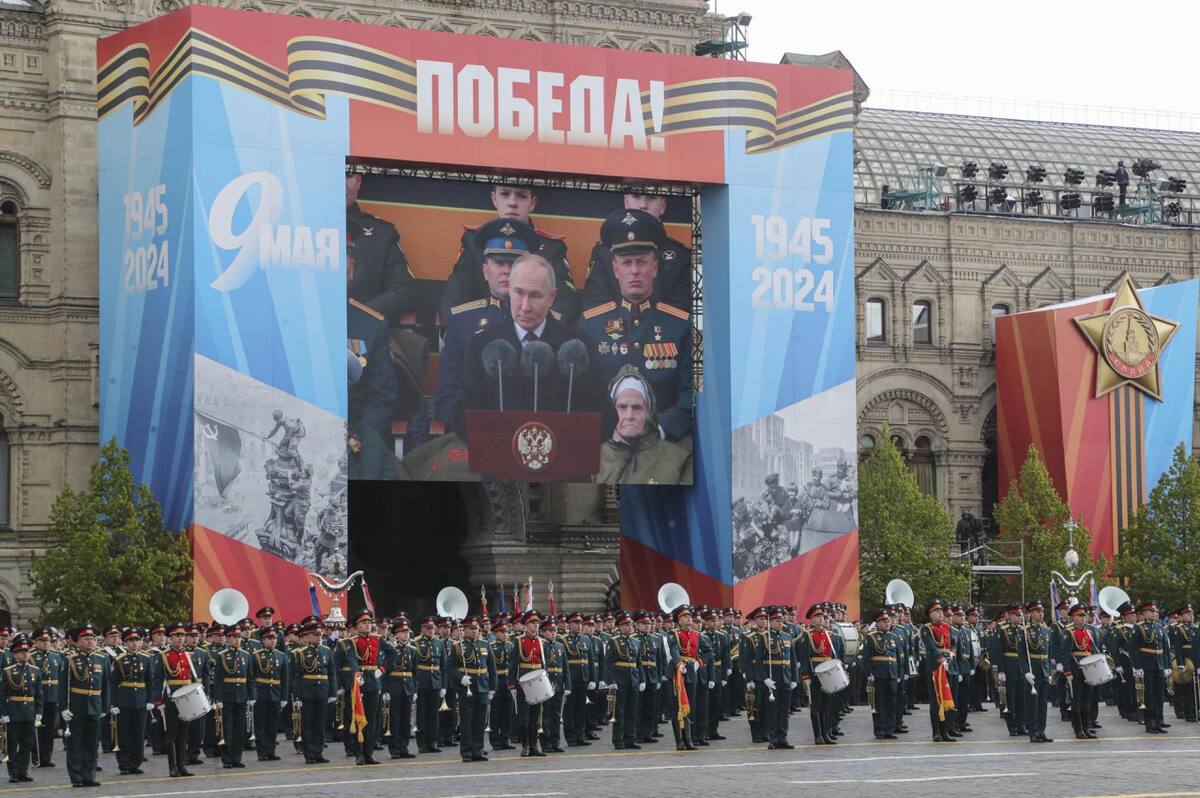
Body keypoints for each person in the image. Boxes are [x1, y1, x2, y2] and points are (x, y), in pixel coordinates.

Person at [579, 209, 693, 443]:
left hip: (663, 444)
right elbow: (580, 393)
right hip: (603, 444)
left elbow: (691, 395)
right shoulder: (590, 326)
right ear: (615, 269)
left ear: (655, 268)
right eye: (627, 263)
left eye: (641, 262)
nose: (634, 271)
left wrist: (659, 429)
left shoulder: (680, 326)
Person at [459, 254, 589, 436]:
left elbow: (597, 416)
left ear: (552, 297)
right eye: (519, 293)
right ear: (510, 290)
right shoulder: (482, 345)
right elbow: (464, 414)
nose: (525, 307)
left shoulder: (576, 348)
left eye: (535, 295)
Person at [434, 217, 537, 435]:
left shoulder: (547, 321)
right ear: (485, 270)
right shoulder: (462, 322)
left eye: (515, 264)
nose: (507, 271)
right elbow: (448, 394)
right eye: (499, 263)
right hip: (474, 436)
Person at [440, 183, 578, 326]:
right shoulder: (474, 242)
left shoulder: (551, 248)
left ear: (532, 203)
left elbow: (564, 304)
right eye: (505, 194)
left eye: (521, 196)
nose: (512, 203)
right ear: (494, 199)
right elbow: (454, 297)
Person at [581, 192, 691, 310]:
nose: (643, 205)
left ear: (663, 205)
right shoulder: (603, 253)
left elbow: (682, 318)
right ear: (626, 202)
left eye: (652, 197)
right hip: (613, 327)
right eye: (636, 196)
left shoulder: (681, 257)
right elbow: (594, 308)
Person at [595, 367, 692, 484]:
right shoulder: (593, 459)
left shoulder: (679, 460)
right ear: (612, 410)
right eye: (622, 407)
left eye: (637, 408)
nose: (629, 415)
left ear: (648, 412)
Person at [345, 171, 419, 326]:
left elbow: (404, 290)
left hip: (365, 334)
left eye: (347, 175)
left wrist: (361, 315)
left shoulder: (382, 233)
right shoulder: (298, 228)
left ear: (358, 181)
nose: (341, 183)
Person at [334, 609, 396, 765]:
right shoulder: (350, 642)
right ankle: (358, 753)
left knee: (372, 719)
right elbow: (352, 660)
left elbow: (393, 653)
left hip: (374, 682)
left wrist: (382, 669)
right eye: (364, 623)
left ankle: (369, 752)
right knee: (358, 718)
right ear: (357, 625)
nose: (367, 625)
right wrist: (357, 675)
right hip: (359, 682)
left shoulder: (378, 639)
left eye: (369, 622)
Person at [348, 296, 400, 479]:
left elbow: (381, 397)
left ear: (351, 270)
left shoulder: (370, 324)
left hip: (353, 435)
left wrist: (359, 442)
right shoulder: (287, 317)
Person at [60, 623, 110, 787]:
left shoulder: (102, 659)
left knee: (92, 743)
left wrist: (105, 707)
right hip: (76, 707)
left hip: (95, 706)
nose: (90, 641)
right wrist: (63, 708)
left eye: (93, 639)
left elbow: (106, 685)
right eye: (86, 638)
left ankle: (89, 775)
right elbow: (63, 686)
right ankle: (76, 777)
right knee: (76, 743)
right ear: (78, 641)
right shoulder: (70, 659)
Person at [448, 616, 496, 763]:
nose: (475, 631)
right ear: (465, 630)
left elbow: (492, 668)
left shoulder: (486, 645)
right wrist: (460, 678)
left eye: (477, 629)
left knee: (480, 721)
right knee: (467, 720)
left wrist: (492, 688)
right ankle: (467, 751)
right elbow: (450, 667)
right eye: (472, 629)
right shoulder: (457, 646)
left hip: (482, 685)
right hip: (467, 687)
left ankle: (478, 750)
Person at [1, 634, 42, 784]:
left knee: (27, 743)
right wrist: (3, 713)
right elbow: (2, 694)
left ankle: (23, 771)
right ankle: (13, 772)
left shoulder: (35, 670)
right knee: (12, 743)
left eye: (27, 651)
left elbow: (39, 694)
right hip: (14, 711)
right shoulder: (8, 671)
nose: (25, 654)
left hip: (29, 712)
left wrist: (39, 711)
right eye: (21, 652)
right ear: (15, 654)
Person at [110, 627, 151, 775]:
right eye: (130, 641)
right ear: (125, 643)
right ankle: (124, 763)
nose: (134, 644)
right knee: (124, 734)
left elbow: (150, 682)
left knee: (138, 735)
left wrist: (150, 699)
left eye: (137, 640)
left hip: (140, 701)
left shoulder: (146, 659)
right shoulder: (119, 660)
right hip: (124, 701)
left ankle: (136, 763)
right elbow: (113, 684)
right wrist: (113, 703)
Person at [213, 626, 252, 769]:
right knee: (227, 729)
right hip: (227, 696)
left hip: (242, 695)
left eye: (239, 637)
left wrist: (251, 695)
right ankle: (227, 758)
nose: (237, 640)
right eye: (234, 637)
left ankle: (237, 757)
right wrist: (218, 698)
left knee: (239, 729)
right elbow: (217, 679)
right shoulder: (221, 655)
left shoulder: (246, 655)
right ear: (228, 639)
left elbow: (250, 678)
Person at [1128, 601, 1169, 734]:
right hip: (1146, 666)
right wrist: (1137, 666)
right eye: (1151, 611)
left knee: (1159, 696)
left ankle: (1158, 722)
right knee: (1149, 696)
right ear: (1145, 613)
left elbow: (1165, 648)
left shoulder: (1159, 627)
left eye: (1155, 611)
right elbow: (1133, 649)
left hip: (1159, 665)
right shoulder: (1138, 627)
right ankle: (1150, 723)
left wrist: (1167, 665)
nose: (1154, 613)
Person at [920, 599, 958, 742]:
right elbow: (931, 647)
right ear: (930, 614)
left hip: (949, 666)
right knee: (936, 700)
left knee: (948, 698)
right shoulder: (926, 628)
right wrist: (941, 658)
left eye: (941, 611)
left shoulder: (948, 628)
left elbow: (953, 643)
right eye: (937, 611)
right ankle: (936, 731)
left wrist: (952, 654)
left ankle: (946, 730)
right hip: (936, 667)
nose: (941, 614)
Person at [604, 611, 642, 750]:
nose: (630, 627)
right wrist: (611, 680)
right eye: (626, 625)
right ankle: (618, 739)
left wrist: (641, 680)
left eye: (631, 624)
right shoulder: (613, 641)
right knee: (619, 711)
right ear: (620, 626)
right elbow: (608, 663)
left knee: (632, 711)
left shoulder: (635, 642)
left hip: (633, 679)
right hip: (620, 679)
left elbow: (638, 663)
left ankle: (630, 738)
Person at [512, 610, 548, 757]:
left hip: (538, 681)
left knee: (535, 716)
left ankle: (534, 746)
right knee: (524, 717)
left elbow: (544, 663)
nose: (536, 626)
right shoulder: (519, 641)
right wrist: (512, 684)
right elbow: (514, 665)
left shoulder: (541, 641)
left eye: (537, 623)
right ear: (526, 625)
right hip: (524, 682)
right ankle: (525, 746)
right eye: (533, 623)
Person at [251, 626, 289, 762]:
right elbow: (252, 677)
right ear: (263, 640)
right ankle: (262, 752)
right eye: (269, 638)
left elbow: (285, 679)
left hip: (276, 694)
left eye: (274, 638)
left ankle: (271, 751)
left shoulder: (281, 656)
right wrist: (253, 695)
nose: (272, 641)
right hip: (261, 694)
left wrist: (284, 697)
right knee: (261, 724)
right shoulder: (256, 656)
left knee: (273, 724)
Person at [382, 617, 418, 759]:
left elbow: (415, 672)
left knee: (405, 720)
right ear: (396, 633)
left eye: (407, 632)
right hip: (394, 687)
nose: (406, 634)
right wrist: (385, 690)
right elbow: (385, 670)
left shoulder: (413, 650)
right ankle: (394, 749)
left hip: (408, 687)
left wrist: (415, 690)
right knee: (394, 720)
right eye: (403, 632)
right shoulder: (390, 649)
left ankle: (404, 747)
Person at [861, 609, 898, 739]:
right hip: (878, 675)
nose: (887, 623)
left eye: (888, 621)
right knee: (878, 704)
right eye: (883, 621)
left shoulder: (893, 637)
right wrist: (869, 673)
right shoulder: (871, 637)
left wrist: (898, 674)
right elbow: (865, 658)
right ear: (877, 623)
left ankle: (889, 729)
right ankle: (880, 730)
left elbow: (897, 657)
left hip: (891, 674)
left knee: (891, 703)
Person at [1019, 600, 1053, 743]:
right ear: (1031, 613)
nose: (1041, 614)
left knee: (1043, 704)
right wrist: (1026, 671)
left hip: (1044, 669)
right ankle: (1033, 731)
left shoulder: (1046, 630)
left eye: (1042, 612)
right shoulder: (1025, 630)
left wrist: (1050, 672)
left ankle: (1041, 730)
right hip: (1033, 670)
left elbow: (1048, 653)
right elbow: (1021, 654)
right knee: (1032, 703)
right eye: (1038, 612)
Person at [29, 627, 62, 769]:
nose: (46, 643)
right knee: (37, 728)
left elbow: (60, 677)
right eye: (42, 641)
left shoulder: (56, 656)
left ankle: (46, 757)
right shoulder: (30, 656)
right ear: (35, 642)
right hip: (37, 697)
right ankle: (36, 758)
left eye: (47, 640)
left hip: (52, 696)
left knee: (49, 729)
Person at [413, 616, 446, 754]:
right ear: (422, 629)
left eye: (432, 628)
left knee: (434, 715)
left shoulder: (439, 643)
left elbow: (443, 666)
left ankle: (432, 742)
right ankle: (422, 744)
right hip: (422, 682)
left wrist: (443, 685)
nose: (431, 630)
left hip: (435, 681)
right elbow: (413, 667)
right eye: (428, 628)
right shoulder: (415, 643)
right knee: (422, 714)